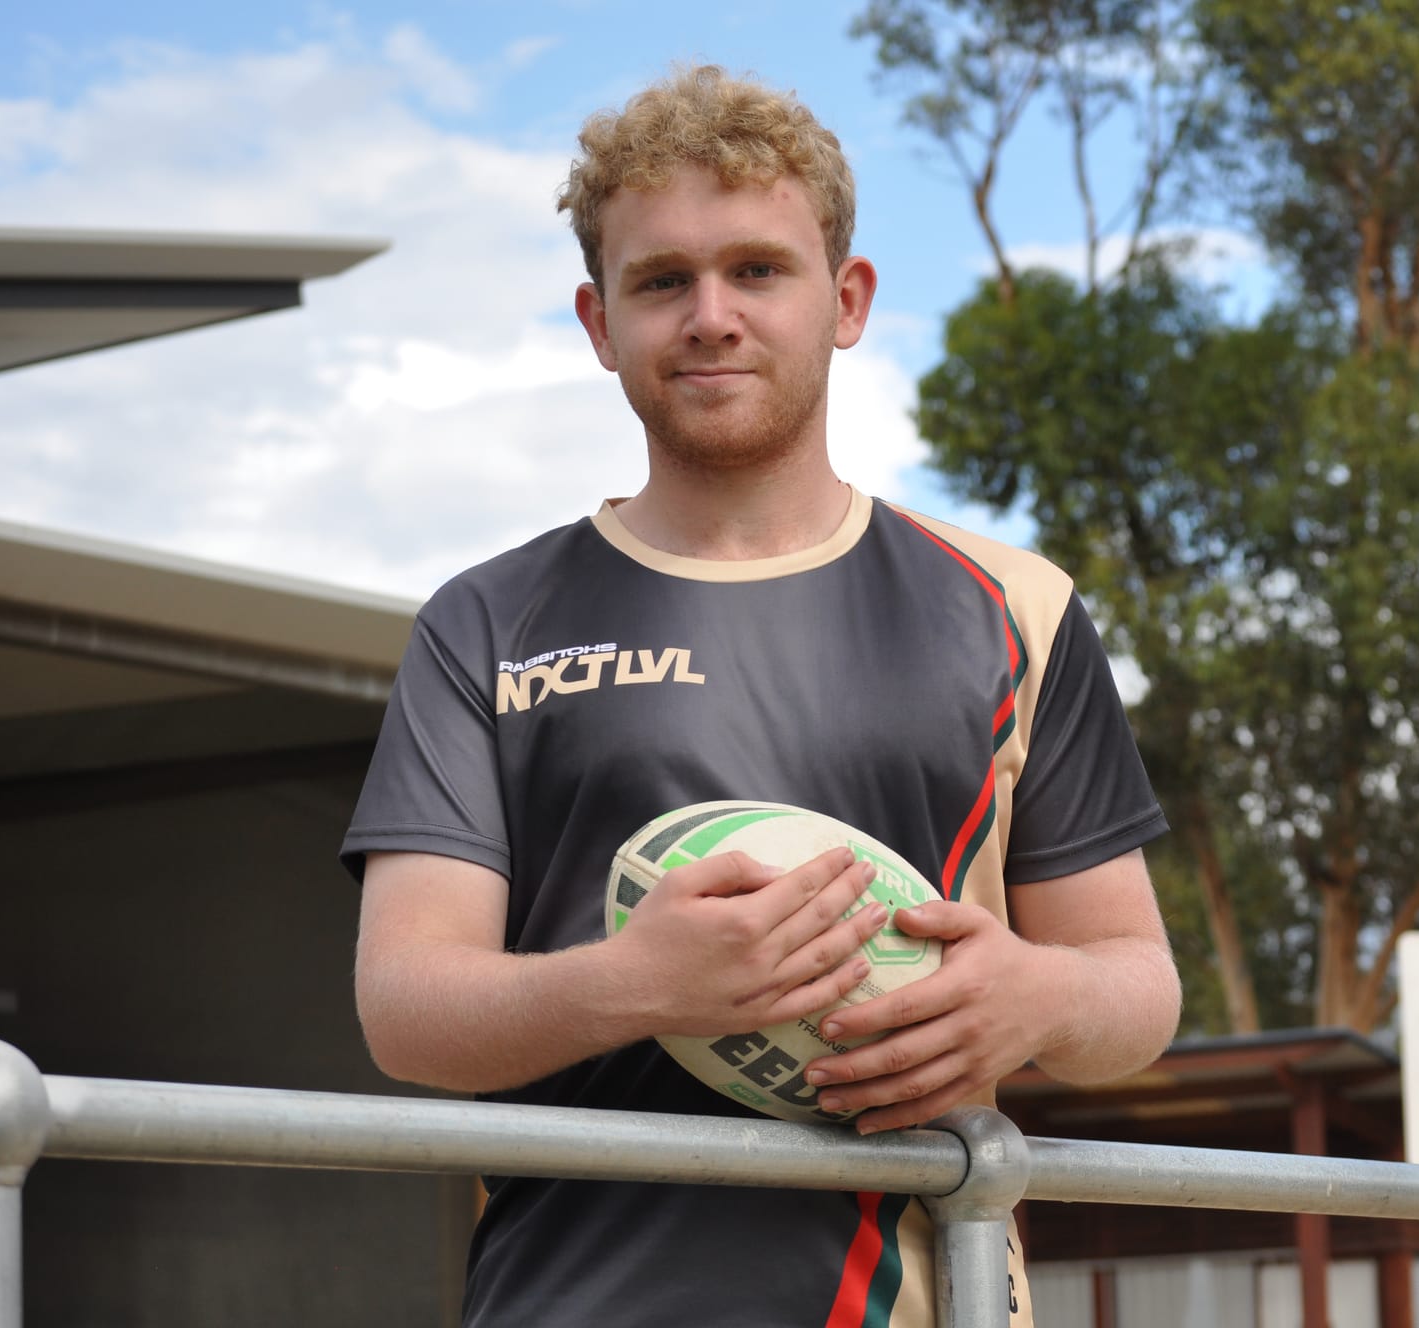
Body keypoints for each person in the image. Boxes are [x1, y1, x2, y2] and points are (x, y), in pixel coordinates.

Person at [341, 64, 1181, 1328]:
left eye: (757, 269)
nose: (711, 315)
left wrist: (1040, 994)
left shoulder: (1015, 607)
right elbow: (406, 1008)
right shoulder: (487, 621)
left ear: (844, 300)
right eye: (662, 279)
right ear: (597, 319)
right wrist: (639, 982)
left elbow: (1137, 985)